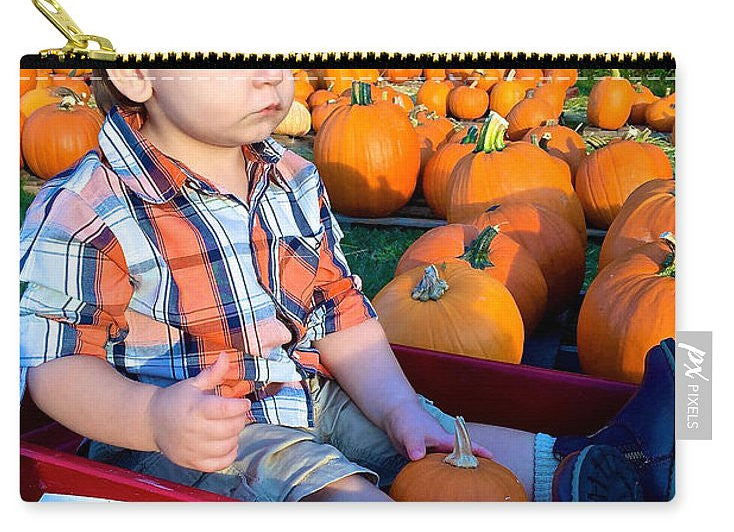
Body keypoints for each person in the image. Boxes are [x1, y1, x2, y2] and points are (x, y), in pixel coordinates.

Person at [19, 68, 673, 502]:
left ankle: (595, 467)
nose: (270, 74)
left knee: (445, 439)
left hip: (312, 393)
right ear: (139, 72)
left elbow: (338, 310)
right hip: (199, 433)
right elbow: (55, 368)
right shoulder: (85, 205)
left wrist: (397, 408)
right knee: (332, 489)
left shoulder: (294, 178)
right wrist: (153, 420)